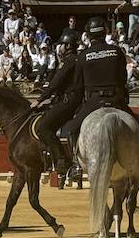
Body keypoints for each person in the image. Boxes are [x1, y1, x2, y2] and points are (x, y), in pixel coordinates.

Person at [71, 15, 129, 138]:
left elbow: (78, 86)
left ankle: (75, 157)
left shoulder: (83, 56)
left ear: (88, 35)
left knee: (72, 130)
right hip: (117, 100)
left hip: (94, 101)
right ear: (105, 32)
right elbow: (123, 78)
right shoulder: (117, 51)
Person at [34, 39, 82, 179]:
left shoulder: (70, 61)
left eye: (61, 45)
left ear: (67, 46)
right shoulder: (75, 59)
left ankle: (62, 161)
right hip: (70, 98)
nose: (58, 48)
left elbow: (56, 82)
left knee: (43, 128)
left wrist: (40, 99)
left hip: (70, 101)